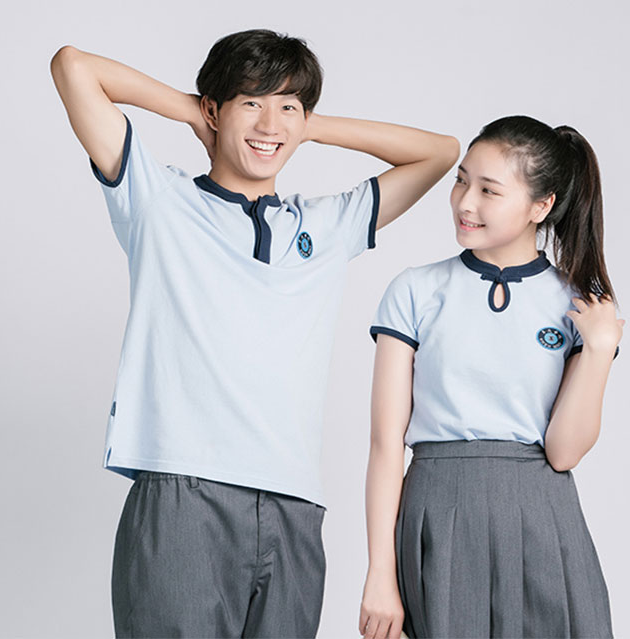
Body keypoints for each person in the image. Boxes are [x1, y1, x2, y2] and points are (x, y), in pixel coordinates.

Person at [50, 29, 459, 638]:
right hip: (185, 491)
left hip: (293, 506)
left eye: (288, 105)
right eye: (251, 102)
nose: (270, 123)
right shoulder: (159, 202)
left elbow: (440, 152)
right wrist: (195, 113)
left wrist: (305, 125)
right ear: (216, 109)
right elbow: (73, 67)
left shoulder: (326, 226)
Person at [359, 115, 623, 639]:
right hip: (438, 509)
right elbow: (385, 445)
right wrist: (380, 574)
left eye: (489, 190)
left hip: (542, 517)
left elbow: (564, 453)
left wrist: (599, 349)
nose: (465, 202)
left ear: (541, 206)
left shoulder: (578, 306)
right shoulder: (416, 290)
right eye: (461, 181)